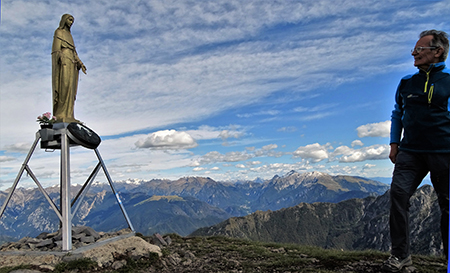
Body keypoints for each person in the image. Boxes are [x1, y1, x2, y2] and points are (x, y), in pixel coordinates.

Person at [384, 30, 450, 272]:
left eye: (419, 49)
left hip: (444, 151)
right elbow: (397, 114)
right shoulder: (406, 83)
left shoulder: (449, 82)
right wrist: (394, 144)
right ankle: (400, 256)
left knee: (447, 204)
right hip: (410, 152)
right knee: (398, 196)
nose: (413, 53)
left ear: (437, 51)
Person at [52, 14, 87, 123]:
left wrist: (80, 63)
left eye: (72, 20)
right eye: (69, 19)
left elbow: (74, 51)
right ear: (64, 20)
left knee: (71, 90)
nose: (71, 22)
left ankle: (70, 115)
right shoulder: (59, 32)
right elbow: (56, 50)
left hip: (73, 64)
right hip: (64, 63)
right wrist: (61, 57)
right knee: (64, 87)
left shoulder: (69, 35)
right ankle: (60, 114)